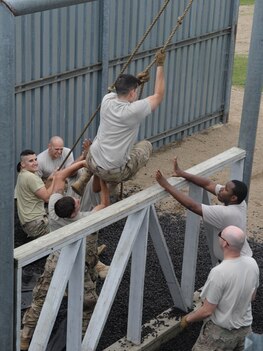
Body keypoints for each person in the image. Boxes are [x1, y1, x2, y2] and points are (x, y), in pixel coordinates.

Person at [20, 162, 110, 350]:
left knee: (40, 297)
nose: (77, 201)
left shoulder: (53, 209)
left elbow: (60, 177)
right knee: (88, 301)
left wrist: (84, 162)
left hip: (54, 261)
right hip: (77, 265)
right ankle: (82, 340)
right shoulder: (83, 220)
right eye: (77, 203)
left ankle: (25, 335)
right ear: (74, 213)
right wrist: (102, 178)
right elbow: (104, 204)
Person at [72, 48, 166, 197]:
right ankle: (112, 185)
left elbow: (121, 91)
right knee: (146, 146)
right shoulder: (133, 111)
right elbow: (158, 95)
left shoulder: (107, 100)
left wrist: (137, 81)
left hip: (92, 159)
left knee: (100, 145)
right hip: (113, 171)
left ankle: (84, 178)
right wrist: (160, 65)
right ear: (132, 93)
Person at [179, 226, 259, 351]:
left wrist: (188, 319)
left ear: (225, 244)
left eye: (220, 235)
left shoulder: (219, 272)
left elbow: (207, 310)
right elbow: (252, 296)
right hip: (245, 330)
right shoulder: (252, 264)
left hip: (219, 334)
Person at [155, 157, 252, 261]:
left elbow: (192, 206)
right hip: (242, 257)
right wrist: (182, 173)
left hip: (235, 263)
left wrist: (166, 185)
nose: (222, 189)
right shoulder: (240, 203)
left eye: (225, 189)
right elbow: (208, 184)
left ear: (233, 198)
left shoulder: (225, 213)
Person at [15, 149, 55, 238]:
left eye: (35, 159)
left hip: (29, 223)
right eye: (31, 161)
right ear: (23, 164)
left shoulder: (23, 174)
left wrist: (50, 180)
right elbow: (47, 198)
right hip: (36, 224)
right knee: (62, 232)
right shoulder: (31, 177)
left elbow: (44, 191)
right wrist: (57, 179)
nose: (35, 163)